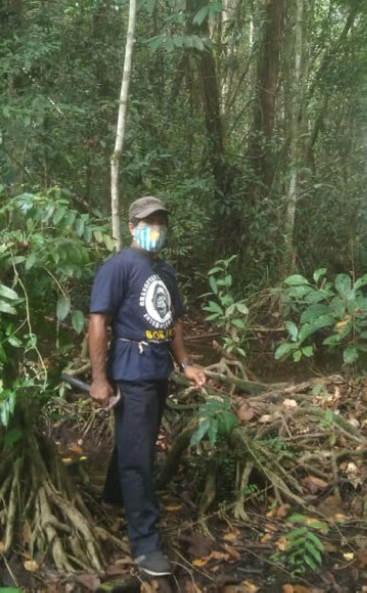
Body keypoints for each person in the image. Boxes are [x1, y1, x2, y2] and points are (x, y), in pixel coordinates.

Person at [88, 196, 206, 577]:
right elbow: (98, 323)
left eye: (161, 221)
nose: (156, 227)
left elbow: (173, 323)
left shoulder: (165, 271)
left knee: (135, 441)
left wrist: (185, 364)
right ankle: (145, 543)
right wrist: (100, 379)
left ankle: (112, 498)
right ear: (133, 225)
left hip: (157, 372)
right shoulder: (118, 266)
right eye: (148, 221)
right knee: (140, 459)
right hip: (131, 371)